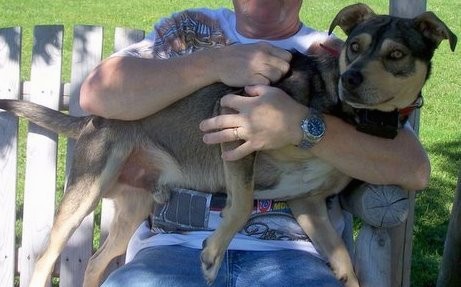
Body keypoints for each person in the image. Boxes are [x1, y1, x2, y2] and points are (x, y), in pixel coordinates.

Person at [80, 1, 430, 286]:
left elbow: (413, 168)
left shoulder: (342, 58)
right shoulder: (189, 31)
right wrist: (213, 63)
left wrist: (299, 126)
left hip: (292, 260)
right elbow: (97, 95)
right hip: (169, 255)